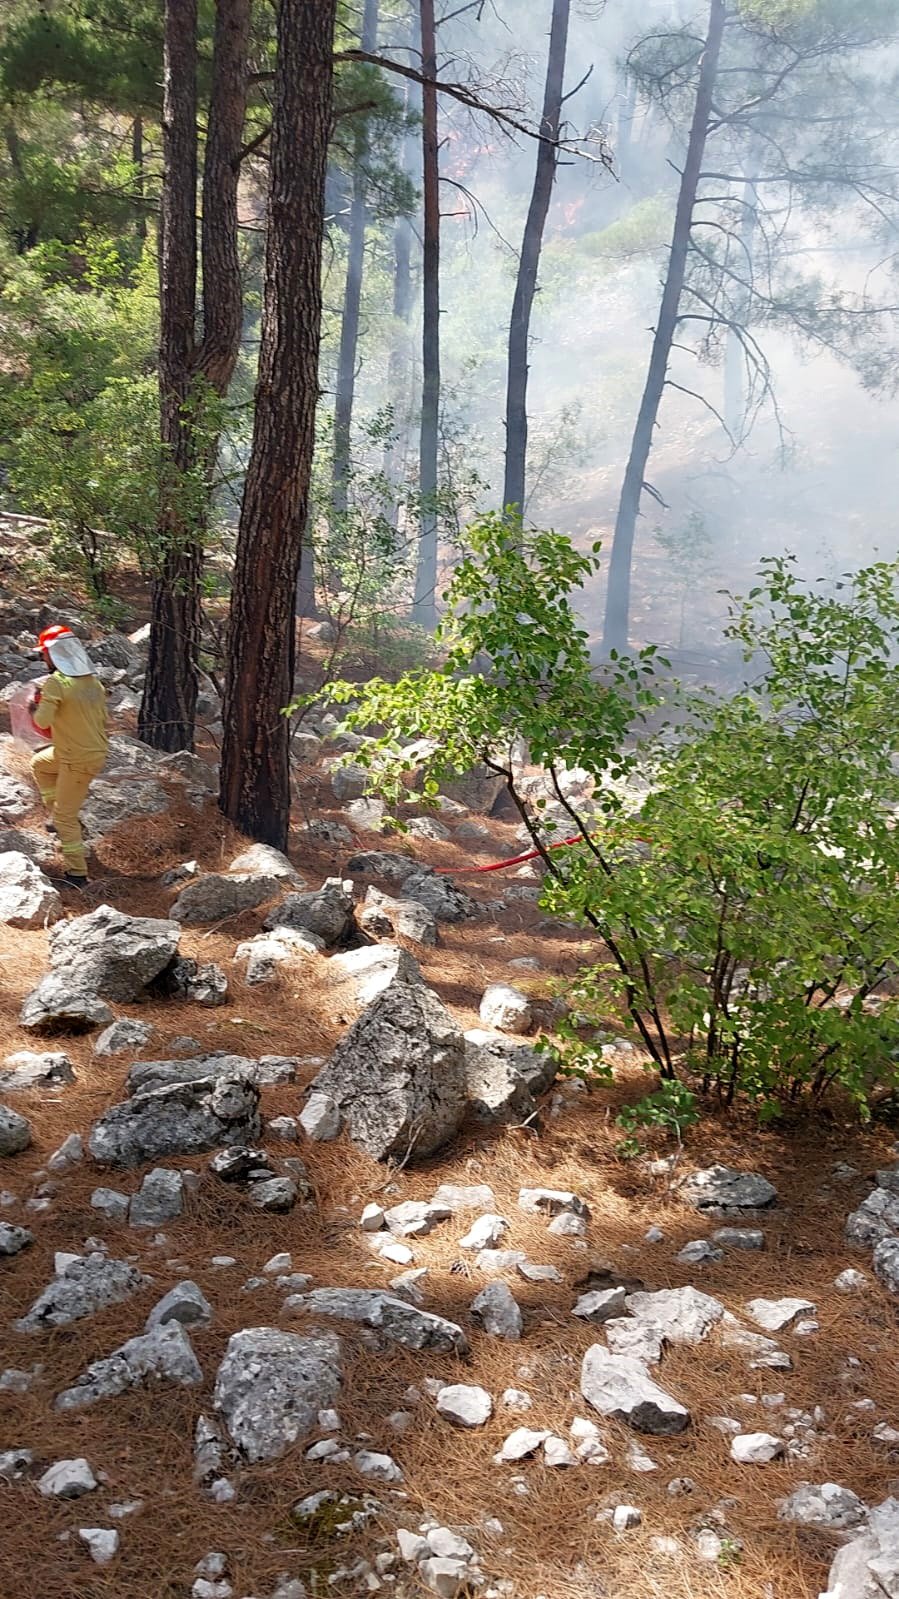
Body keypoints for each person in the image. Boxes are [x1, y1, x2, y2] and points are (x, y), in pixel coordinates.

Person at [27, 625, 109, 887]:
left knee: (65, 817)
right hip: (84, 751)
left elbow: (42, 720)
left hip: (77, 758)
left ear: (55, 653)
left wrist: (35, 706)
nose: (43, 659)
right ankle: (59, 819)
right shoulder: (93, 682)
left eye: (45, 654)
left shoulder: (56, 683)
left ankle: (77, 874)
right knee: (40, 764)